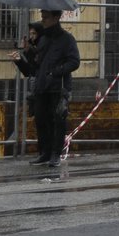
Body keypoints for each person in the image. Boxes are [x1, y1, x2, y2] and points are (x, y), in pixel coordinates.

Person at [29, 10, 81, 167]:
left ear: (56, 18)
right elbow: (38, 63)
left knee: (58, 120)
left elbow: (74, 62)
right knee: (40, 118)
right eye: (42, 17)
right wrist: (29, 52)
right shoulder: (43, 38)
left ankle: (55, 153)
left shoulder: (67, 39)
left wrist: (56, 72)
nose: (43, 20)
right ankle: (44, 152)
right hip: (42, 86)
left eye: (46, 17)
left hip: (59, 87)